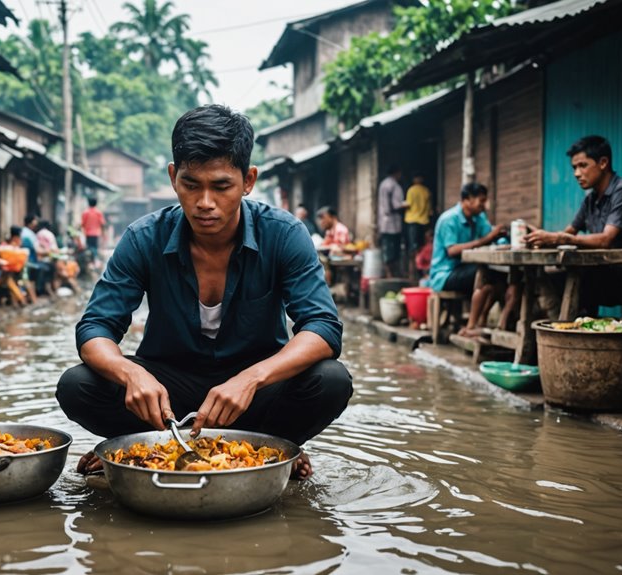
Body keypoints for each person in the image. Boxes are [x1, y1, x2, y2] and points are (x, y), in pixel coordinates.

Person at [56, 105, 353, 480]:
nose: (205, 202)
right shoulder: (143, 238)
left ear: (248, 181)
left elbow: (323, 328)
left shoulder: (284, 234)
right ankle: (139, 443)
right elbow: (95, 328)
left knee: (330, 380)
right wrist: (130, 374)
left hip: (254, 392)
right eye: (191, 184)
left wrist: (253, 378)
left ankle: (274, 445)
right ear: (172, 177)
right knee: (77, 384)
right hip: (167, 391)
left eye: (221, 186)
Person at [525, 135, 622, 313]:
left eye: (582, 166)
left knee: (568, 278)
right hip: (600, 271)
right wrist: (540, 237)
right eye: (574, 168)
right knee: (542, 276)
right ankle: (568, 326)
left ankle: (568, 328)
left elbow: (605, 240)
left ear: (603, 163)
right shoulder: (590, 200)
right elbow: (569, 232)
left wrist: (559, 237)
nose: (577, 173)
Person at [428, 182, 514, 338]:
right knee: (485, 273)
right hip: (445, 274)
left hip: (465, 269)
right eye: (481, 201)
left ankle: (483, 321)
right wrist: (487, 239)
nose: (484, 205)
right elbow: (452, 251)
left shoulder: (479, 218)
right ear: (467, 200)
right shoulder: (449, 219)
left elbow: (491, 235)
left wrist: (502, 241)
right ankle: (471, 326)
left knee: (502, 278)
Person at [377, 166, 407, 277]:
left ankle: (388, 273)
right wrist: (406, 204)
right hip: (393, 224)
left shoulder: (383, 184)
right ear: (397, 173)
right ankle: (392, 275)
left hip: (384, 222)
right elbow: (396, 205)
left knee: (387, 249)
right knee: (393, 250)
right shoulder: (395, 186)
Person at [404, 173, 432, 278]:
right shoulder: (426, 191)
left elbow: (408, 204)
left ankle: (412, 273)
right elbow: (430, 210)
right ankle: (421, 273)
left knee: (413, 249)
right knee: (421, 248)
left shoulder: (411, 190)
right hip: (424, 221)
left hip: (412, 221)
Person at [81, 197, 106, 269]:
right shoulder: (98, 213)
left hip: (87, 234)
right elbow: (102, 224)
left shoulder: (85, 212)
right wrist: (103, 234)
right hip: (96, 234)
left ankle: (90, 263)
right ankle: (94, 262)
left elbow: (83, 224)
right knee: (95, 248)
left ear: (88, 203)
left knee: (89, 248)